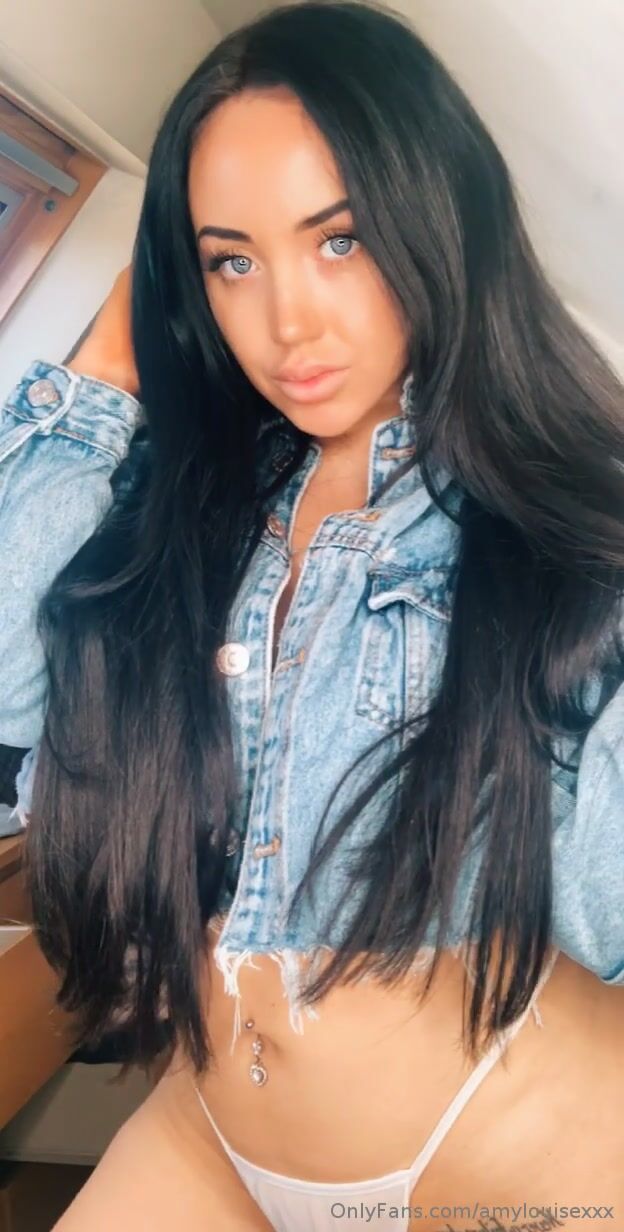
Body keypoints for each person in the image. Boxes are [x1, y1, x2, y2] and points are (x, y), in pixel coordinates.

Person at [0, 2, 623, 1228]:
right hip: (213, 1136)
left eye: (340, 240)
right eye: (231, 260)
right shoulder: (195, 505)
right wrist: (108, 365)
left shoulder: (561, 524)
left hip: (522, 1161)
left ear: (438, 221)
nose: (288, 323)